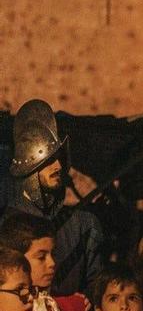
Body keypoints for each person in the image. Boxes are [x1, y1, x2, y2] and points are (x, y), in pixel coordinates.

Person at [6, 99, 105, 296]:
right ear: (31, 165)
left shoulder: (83, 225)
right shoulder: (6, 226)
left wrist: (88, 301)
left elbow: (97, 287)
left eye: (59, 158)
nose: (58, 166)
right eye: (49, 160)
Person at [0, 212, 93, 311]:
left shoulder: (70, 308)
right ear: (16, 258)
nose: (52, 263)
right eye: (41, 257)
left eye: (53, 254)